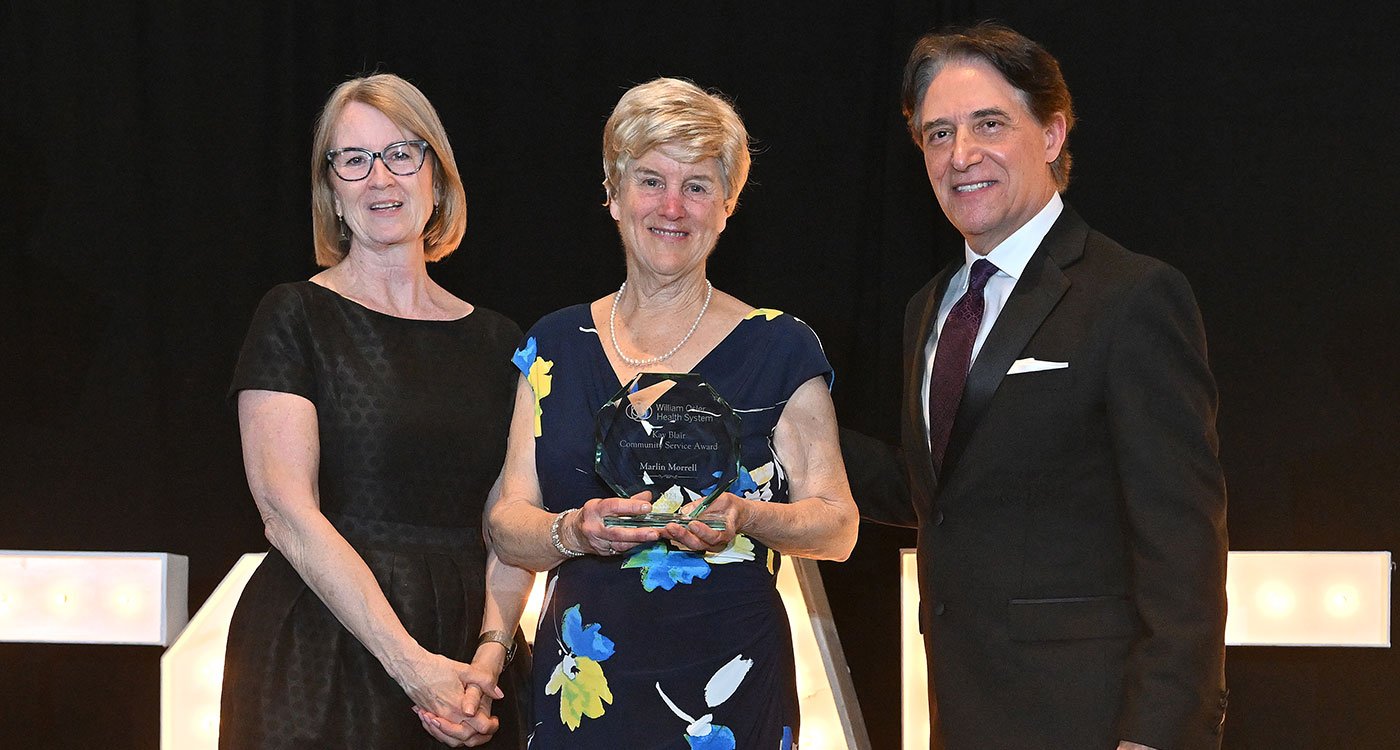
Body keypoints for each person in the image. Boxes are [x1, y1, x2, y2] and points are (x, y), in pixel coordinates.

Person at [844, 22, 1229, 750]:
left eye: (989, 123)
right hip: (962, 715)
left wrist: (1157, 735)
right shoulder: (928, 308)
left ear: (1051, 133)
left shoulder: (1133, 296)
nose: (962, 155)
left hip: (1091, 722)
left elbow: (1183, 550)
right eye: (937, 134)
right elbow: (940, 494)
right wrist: (779, 421)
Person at [480, 77, 858, 748]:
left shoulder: (781, 346)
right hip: (583, 690)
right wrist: (573, 531)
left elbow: (838, 526)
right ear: (614, 193)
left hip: (730, 691)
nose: (673, 207)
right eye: (651, 180)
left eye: (700, 185)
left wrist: (748, 516)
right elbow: (508, 523)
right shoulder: (554, 346)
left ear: (729, 204)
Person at [222, 73, 532, 749]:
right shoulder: (295, 315)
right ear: (331, 190)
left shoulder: (504, 342)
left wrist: (490, 654)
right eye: (353, 159)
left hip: (468, 662)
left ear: (437, 177)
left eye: (402, 153)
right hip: (321, 651)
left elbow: (510, 520)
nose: (379, 178)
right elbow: (285, 513)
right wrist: (410, 664)